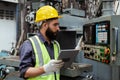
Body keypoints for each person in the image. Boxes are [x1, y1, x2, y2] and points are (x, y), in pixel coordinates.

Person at [19, 5, 64, 80]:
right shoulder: (29, 44)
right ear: (45, 25)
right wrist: (44, 69)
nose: (58, 28)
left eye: (58, 25)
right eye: (55, 25)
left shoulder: (56, 45)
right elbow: (24, 72)